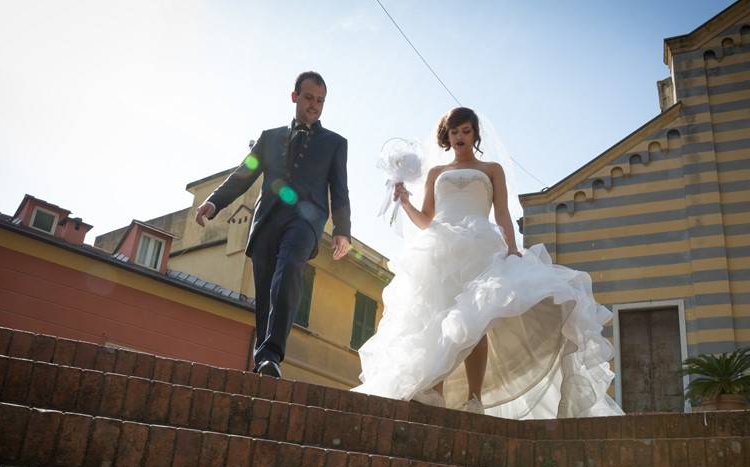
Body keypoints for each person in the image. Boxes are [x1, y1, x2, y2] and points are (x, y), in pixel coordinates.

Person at [352, 107, 621, 419]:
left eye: (466, 131)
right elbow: (426, 220)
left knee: (475, 322)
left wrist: (511, 248)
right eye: (454, 132)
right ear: (447, 137)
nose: (460, 137)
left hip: (480, 246)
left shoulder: (492, 169)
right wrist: (405, 201)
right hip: (439, 250)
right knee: (436, 317)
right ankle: (433, 391)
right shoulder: (436, 174)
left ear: (475, 133)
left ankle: (474, 397)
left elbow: (502, 212)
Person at [195, 71, 351, 377]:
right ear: (294, 97)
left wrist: (342, 230)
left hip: (306, 222)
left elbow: (340, 189)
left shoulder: (335, 143)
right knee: (267, 292)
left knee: (290, 266)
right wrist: (214, 202)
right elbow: (244, 173)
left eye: (320, 101)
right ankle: (263, 361)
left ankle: (273, 354)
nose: (314, 106)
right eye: (308, 98)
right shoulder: (269, 138)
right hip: (266, 221)